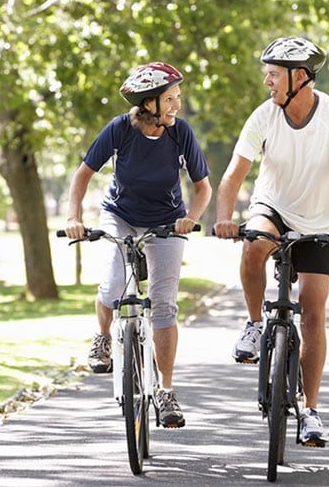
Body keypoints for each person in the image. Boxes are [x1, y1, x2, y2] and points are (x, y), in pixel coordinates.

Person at [213, 37, 329, 446]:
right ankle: (252, 324)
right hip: (274, 208)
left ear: (299, 77)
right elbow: (233, 176)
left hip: (319, 223)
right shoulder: (264, 117)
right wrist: (224, 218)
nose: (267, 81)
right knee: (254, 246)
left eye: (274, 74)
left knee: (314, 313)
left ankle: (312, 411)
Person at [65, 62, 212, 428]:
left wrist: (190, 218)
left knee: (163, 304)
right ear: (149, 103)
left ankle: (165, 391)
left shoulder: (181, 134)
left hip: (167, 221)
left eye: (178, 97)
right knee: (114, 285)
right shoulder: (119, 130)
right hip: (121, 216)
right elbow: (83, 175)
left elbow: (203, 187)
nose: (177, 105)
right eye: (171, 99)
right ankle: (102, 338)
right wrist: (73, 218)